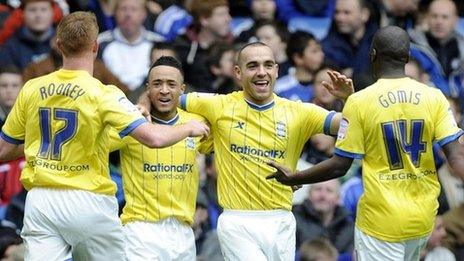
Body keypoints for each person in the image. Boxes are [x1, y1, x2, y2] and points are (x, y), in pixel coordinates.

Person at [0, 11, 209, 261]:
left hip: (41, 200)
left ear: (59, 45)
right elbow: (153, 138)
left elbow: (2, 151)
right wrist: (189, 127)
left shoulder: (32, 88)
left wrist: (40, 144)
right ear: (95, 46)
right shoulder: (104, 94)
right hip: (87, 199)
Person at [139, 41, 353, 260]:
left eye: (268, 65)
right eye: (253, 66)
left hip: (282, 220)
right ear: (238, 73)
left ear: (277, 71)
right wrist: (144, 104)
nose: (262, 72)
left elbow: (348, 123)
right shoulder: (218, 104)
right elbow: (163, 94)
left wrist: (349, 100)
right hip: (237, 221)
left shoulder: (299, 112)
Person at [267, 26, 464, 261]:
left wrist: (295, 177)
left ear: (372, 56)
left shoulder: (360, 102)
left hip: (381, 221)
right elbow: (455, 155)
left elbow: (340, 165)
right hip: (422, 218)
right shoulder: (435, 97)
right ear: (408, 57)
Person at [110, 56, 213, 260]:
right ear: (147, 89)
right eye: (157, 84)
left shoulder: (196, 123)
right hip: (140, 230)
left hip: (184, 231)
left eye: (171, 84)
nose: (164, 90)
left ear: (182, 89)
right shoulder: (131, 124)